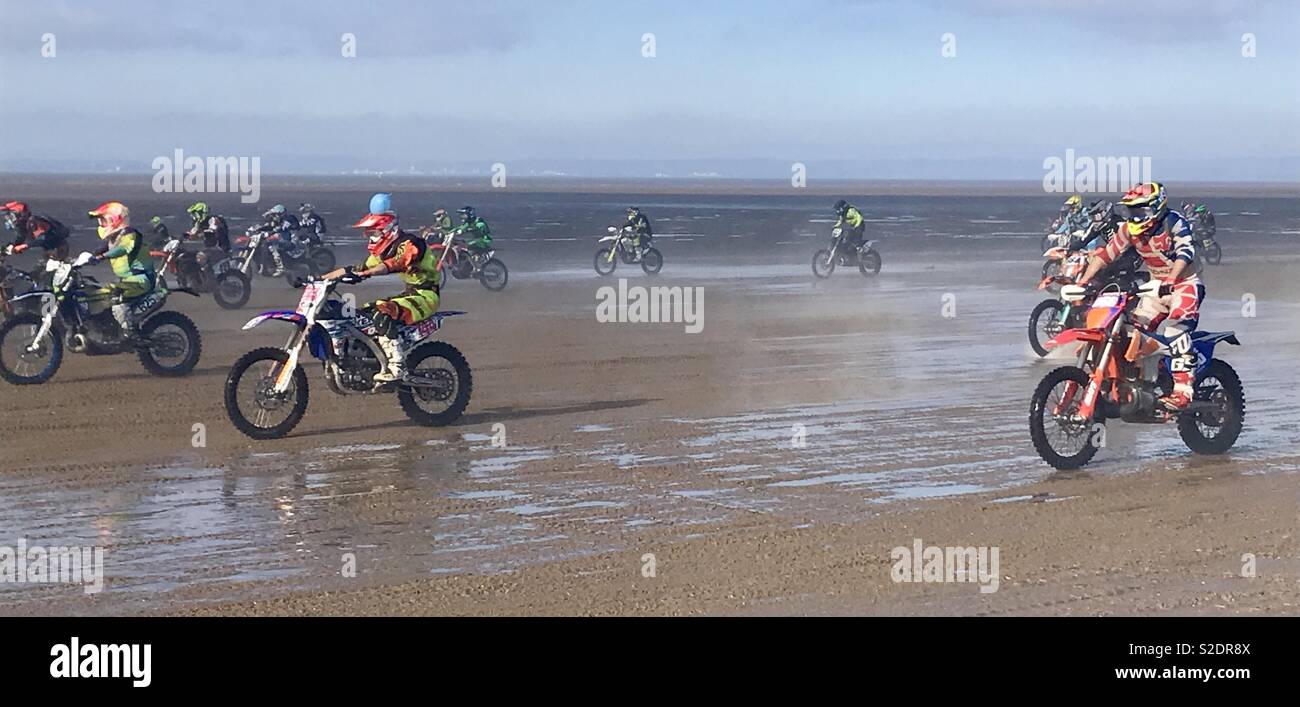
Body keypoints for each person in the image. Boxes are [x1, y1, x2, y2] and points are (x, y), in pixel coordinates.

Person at [1077, 182, 1200, 411]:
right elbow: (1106, 254)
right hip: (1153, 289)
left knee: (1176, 329)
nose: (1135, 216)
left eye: (1140, 210)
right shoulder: (1127, 230)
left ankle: (1183, 392)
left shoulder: (1172, 222)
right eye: (1131, 211)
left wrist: (1171, 279)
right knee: (1134, 331)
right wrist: (1084, 281)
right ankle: (1144, 379)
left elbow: (1186, 252)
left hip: (1184, 286)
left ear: (1155, 207)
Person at [323, 198, 441, 384]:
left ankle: (397, 367)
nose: (370, 236)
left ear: (387, 228)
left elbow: (397, 263)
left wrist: (367, 273)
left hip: (426, 296)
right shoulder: (384, 251)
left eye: (373, 232)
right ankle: (370, 362)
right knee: (362, 315)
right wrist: (320, 279)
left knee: (383, 312)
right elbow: (357, 267)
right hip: (410, 294)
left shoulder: (412, 243)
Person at [85, 202, 156, 344]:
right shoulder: (112, 239)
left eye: (104, 220)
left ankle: (129, 332)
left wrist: (102, 257)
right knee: (95, 294)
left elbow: (124, 248)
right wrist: (78, 261)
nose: (101, 224)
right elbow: (98, 251)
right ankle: (105, 329)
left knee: (116, 294)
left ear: (115, 219)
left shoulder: (130, 235)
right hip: (128, 281)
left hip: (141, 280)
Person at [2, 201, 72, 267]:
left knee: (47, 270)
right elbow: (21, 237)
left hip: (57, 249)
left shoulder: (34, 222)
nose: (9, 220)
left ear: (19, 215)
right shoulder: (23, 227)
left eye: (11, 217)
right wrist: (10, 248)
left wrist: (24, 246)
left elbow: (43, 239)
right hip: (49, 249)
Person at [251, 204, 301, 276]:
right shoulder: (281, 220)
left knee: (273, 247)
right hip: (283, 240)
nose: (275, 216)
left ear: (281, 214)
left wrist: (268, 233)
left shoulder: (290, 219)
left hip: (292, 242)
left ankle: (280, 268)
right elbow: (270, 226)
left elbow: (280, 228)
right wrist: (259, 229)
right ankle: (264, 267)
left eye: (276, 214)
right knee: (264, 245)